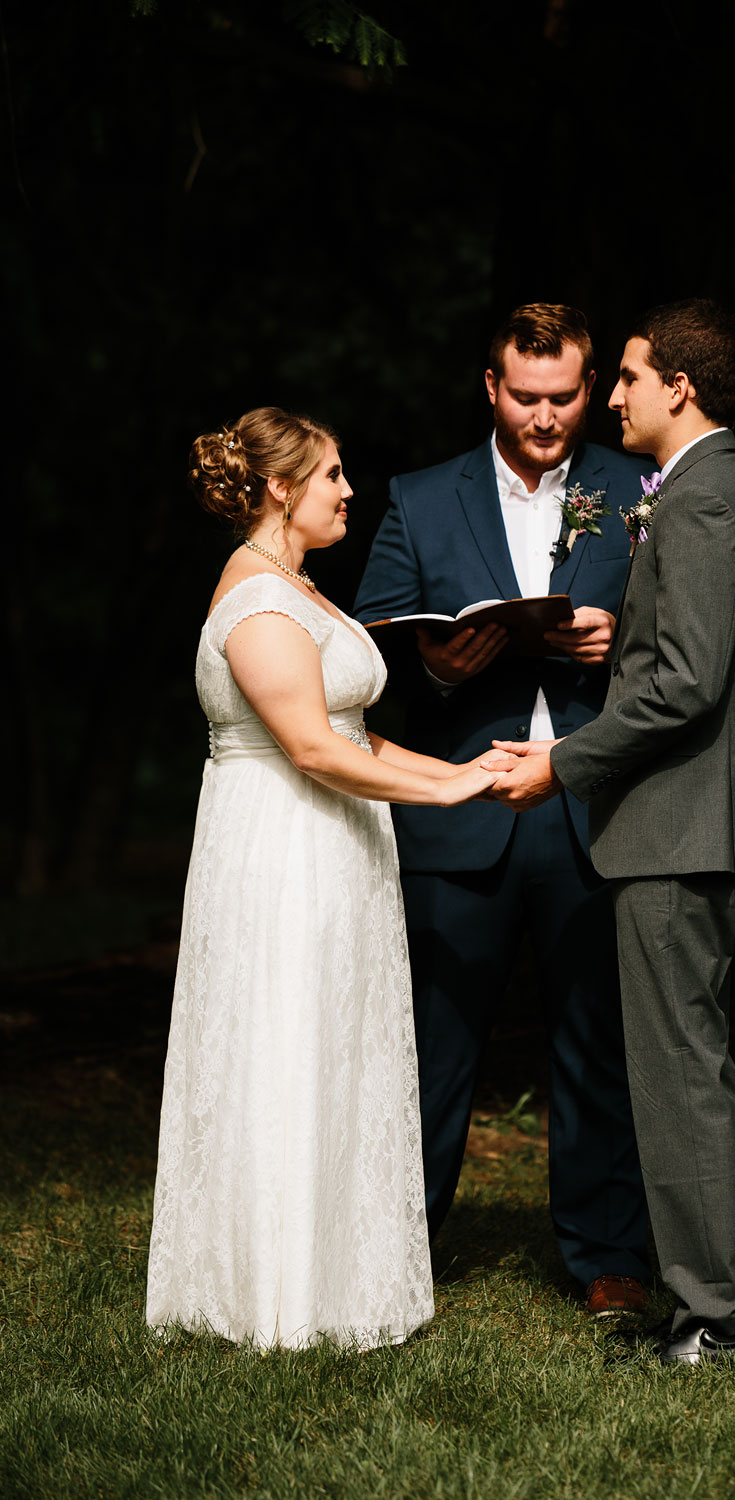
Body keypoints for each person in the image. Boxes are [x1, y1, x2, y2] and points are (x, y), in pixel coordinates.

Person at [146, 406, 502, 1351]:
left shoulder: (299, 589)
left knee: (337, 1042)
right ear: (279, 488)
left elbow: (353, 733)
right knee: (286, 1043)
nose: (350, 490)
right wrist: (446, 795)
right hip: (285, 848)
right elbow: (308, 748)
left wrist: (467, 778)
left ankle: (342, 1271)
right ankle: (279, 1296)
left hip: (337, 841)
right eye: (334, 474)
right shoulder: (258, 605)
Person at [488, 299, 735, 1364]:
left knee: (679, 1080)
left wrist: (564, 761)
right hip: (681, 828)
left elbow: (688, 687)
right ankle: (709, 1302)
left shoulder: (701, 503)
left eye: (625, 374)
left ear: (680, 389)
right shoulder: (709, 491)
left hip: (677, 830)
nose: (610, 395)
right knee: (676, 1074)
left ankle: (723, 1319)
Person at [353, 304, 651, 1315]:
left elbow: (689, 634)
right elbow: (365, 645)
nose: (545, 417)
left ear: (591, 382)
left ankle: (607, 1253)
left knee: (595, 1039)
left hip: (588, 801)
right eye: (525, 398)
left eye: (564, 397)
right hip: (459, 801)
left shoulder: (633, 485)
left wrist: (625, 640)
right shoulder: (420, 496)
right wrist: (433, 664)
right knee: (433, 1045)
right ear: (490, 388)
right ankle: (399, 1250)